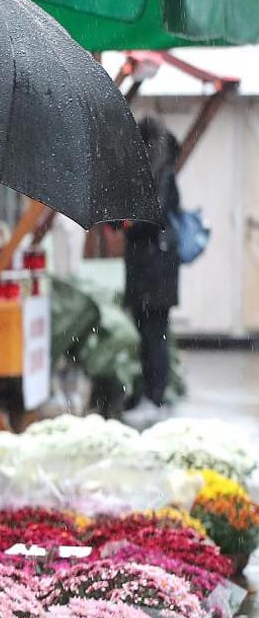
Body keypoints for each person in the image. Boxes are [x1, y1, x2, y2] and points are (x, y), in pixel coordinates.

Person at [123, 117, 182, 423]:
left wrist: (128, 221)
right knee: (150, 334)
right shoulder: (160, 168)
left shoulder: (159, 171)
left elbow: (152, 217)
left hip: (154, 270)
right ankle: (150, 395)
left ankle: (154, 398)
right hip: (151, 269)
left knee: (154, 334)